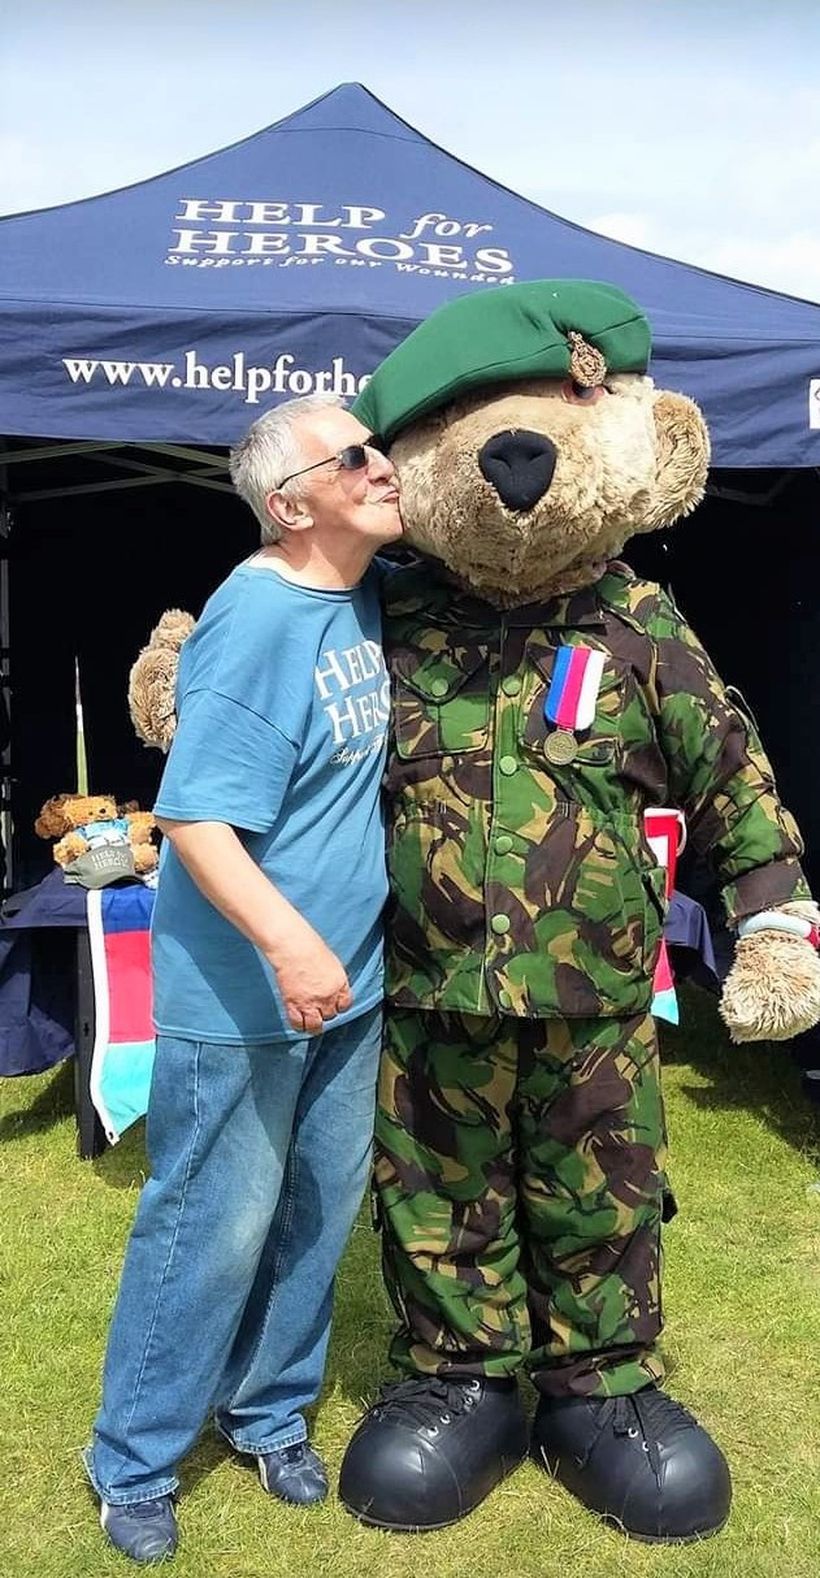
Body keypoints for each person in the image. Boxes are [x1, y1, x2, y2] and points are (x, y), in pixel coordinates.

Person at [84, 394, 402, 1563]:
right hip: (248, 996)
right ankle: (132, 1460)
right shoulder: (257, 619)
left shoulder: (358, 590)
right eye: (355, 454)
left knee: (318, 1213)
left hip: (349, 986)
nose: (383, 464)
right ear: (290, 501)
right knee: (211, 1226)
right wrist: (290, 944)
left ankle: (267, 1413)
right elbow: (196, 817)